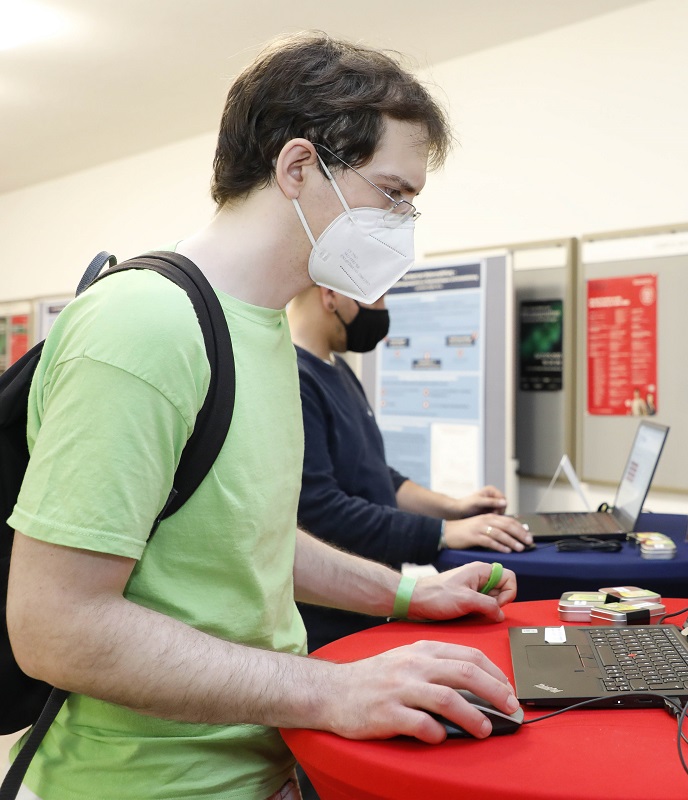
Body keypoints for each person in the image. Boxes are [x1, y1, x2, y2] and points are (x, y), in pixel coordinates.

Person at [6, 32, 521, 800]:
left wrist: (409, 592)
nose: (404, 223)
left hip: (263, 766)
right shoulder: (145, 326)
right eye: (392, 194)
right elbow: (57, 628)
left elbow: (252, 538)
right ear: (299, 167)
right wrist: (328, 690)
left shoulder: (262, 327)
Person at [287, 285, 533, 650]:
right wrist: (441, 533)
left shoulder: (338, 371)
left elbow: (374, 475)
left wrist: (453, 507)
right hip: (330, 627)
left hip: (370, 612)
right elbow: (320, 513)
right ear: (330, 296)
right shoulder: (297, 381)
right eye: (376, 297)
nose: (383, 309)